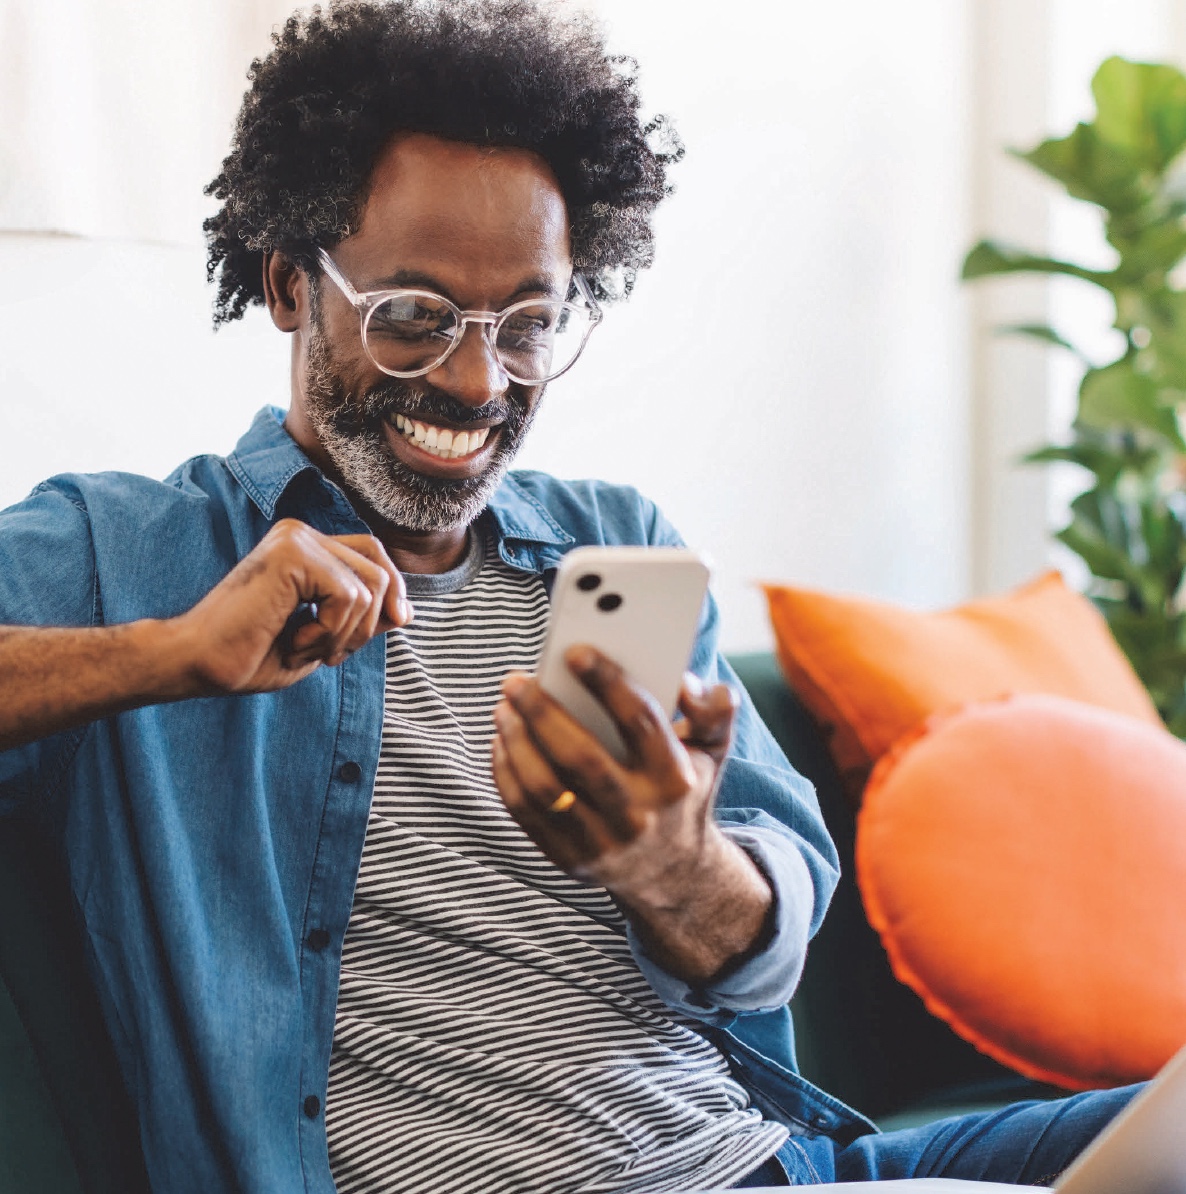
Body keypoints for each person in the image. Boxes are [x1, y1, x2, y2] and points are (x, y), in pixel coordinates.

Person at [0, 2, 1137, 1191]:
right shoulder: (131, 552)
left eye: (529, 324)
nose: (479, 379)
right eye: (415, 319)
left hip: (785, 1163)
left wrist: (668, 859)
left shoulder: (614, 545)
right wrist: (174, 652)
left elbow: (765, 940)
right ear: (291, 284)